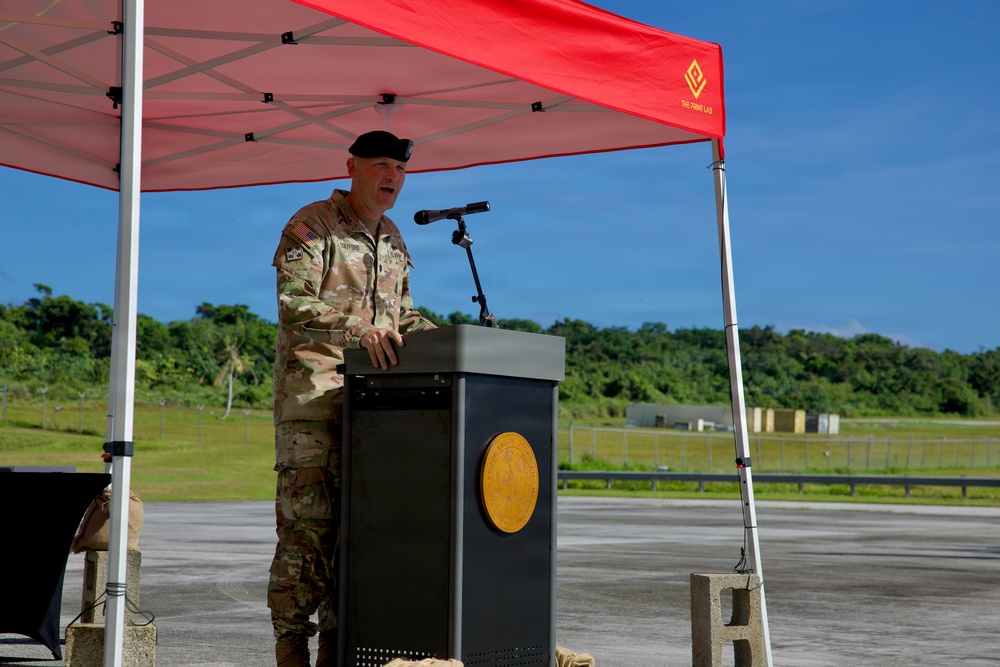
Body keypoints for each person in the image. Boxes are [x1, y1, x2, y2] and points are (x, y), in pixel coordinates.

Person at [267, 130, 437, 667]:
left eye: (400, 170)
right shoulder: (312, 224)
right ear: (352, 167)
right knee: (308, 535)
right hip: (316, 402)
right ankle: (291, 648)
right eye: (381, 166)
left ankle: (335, 654)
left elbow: (400, 315)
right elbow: (294, 303)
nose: (392, 178)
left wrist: (447, 340)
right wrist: (358, 330)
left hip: (376, 411)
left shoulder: (393, 238)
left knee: (359, 536)